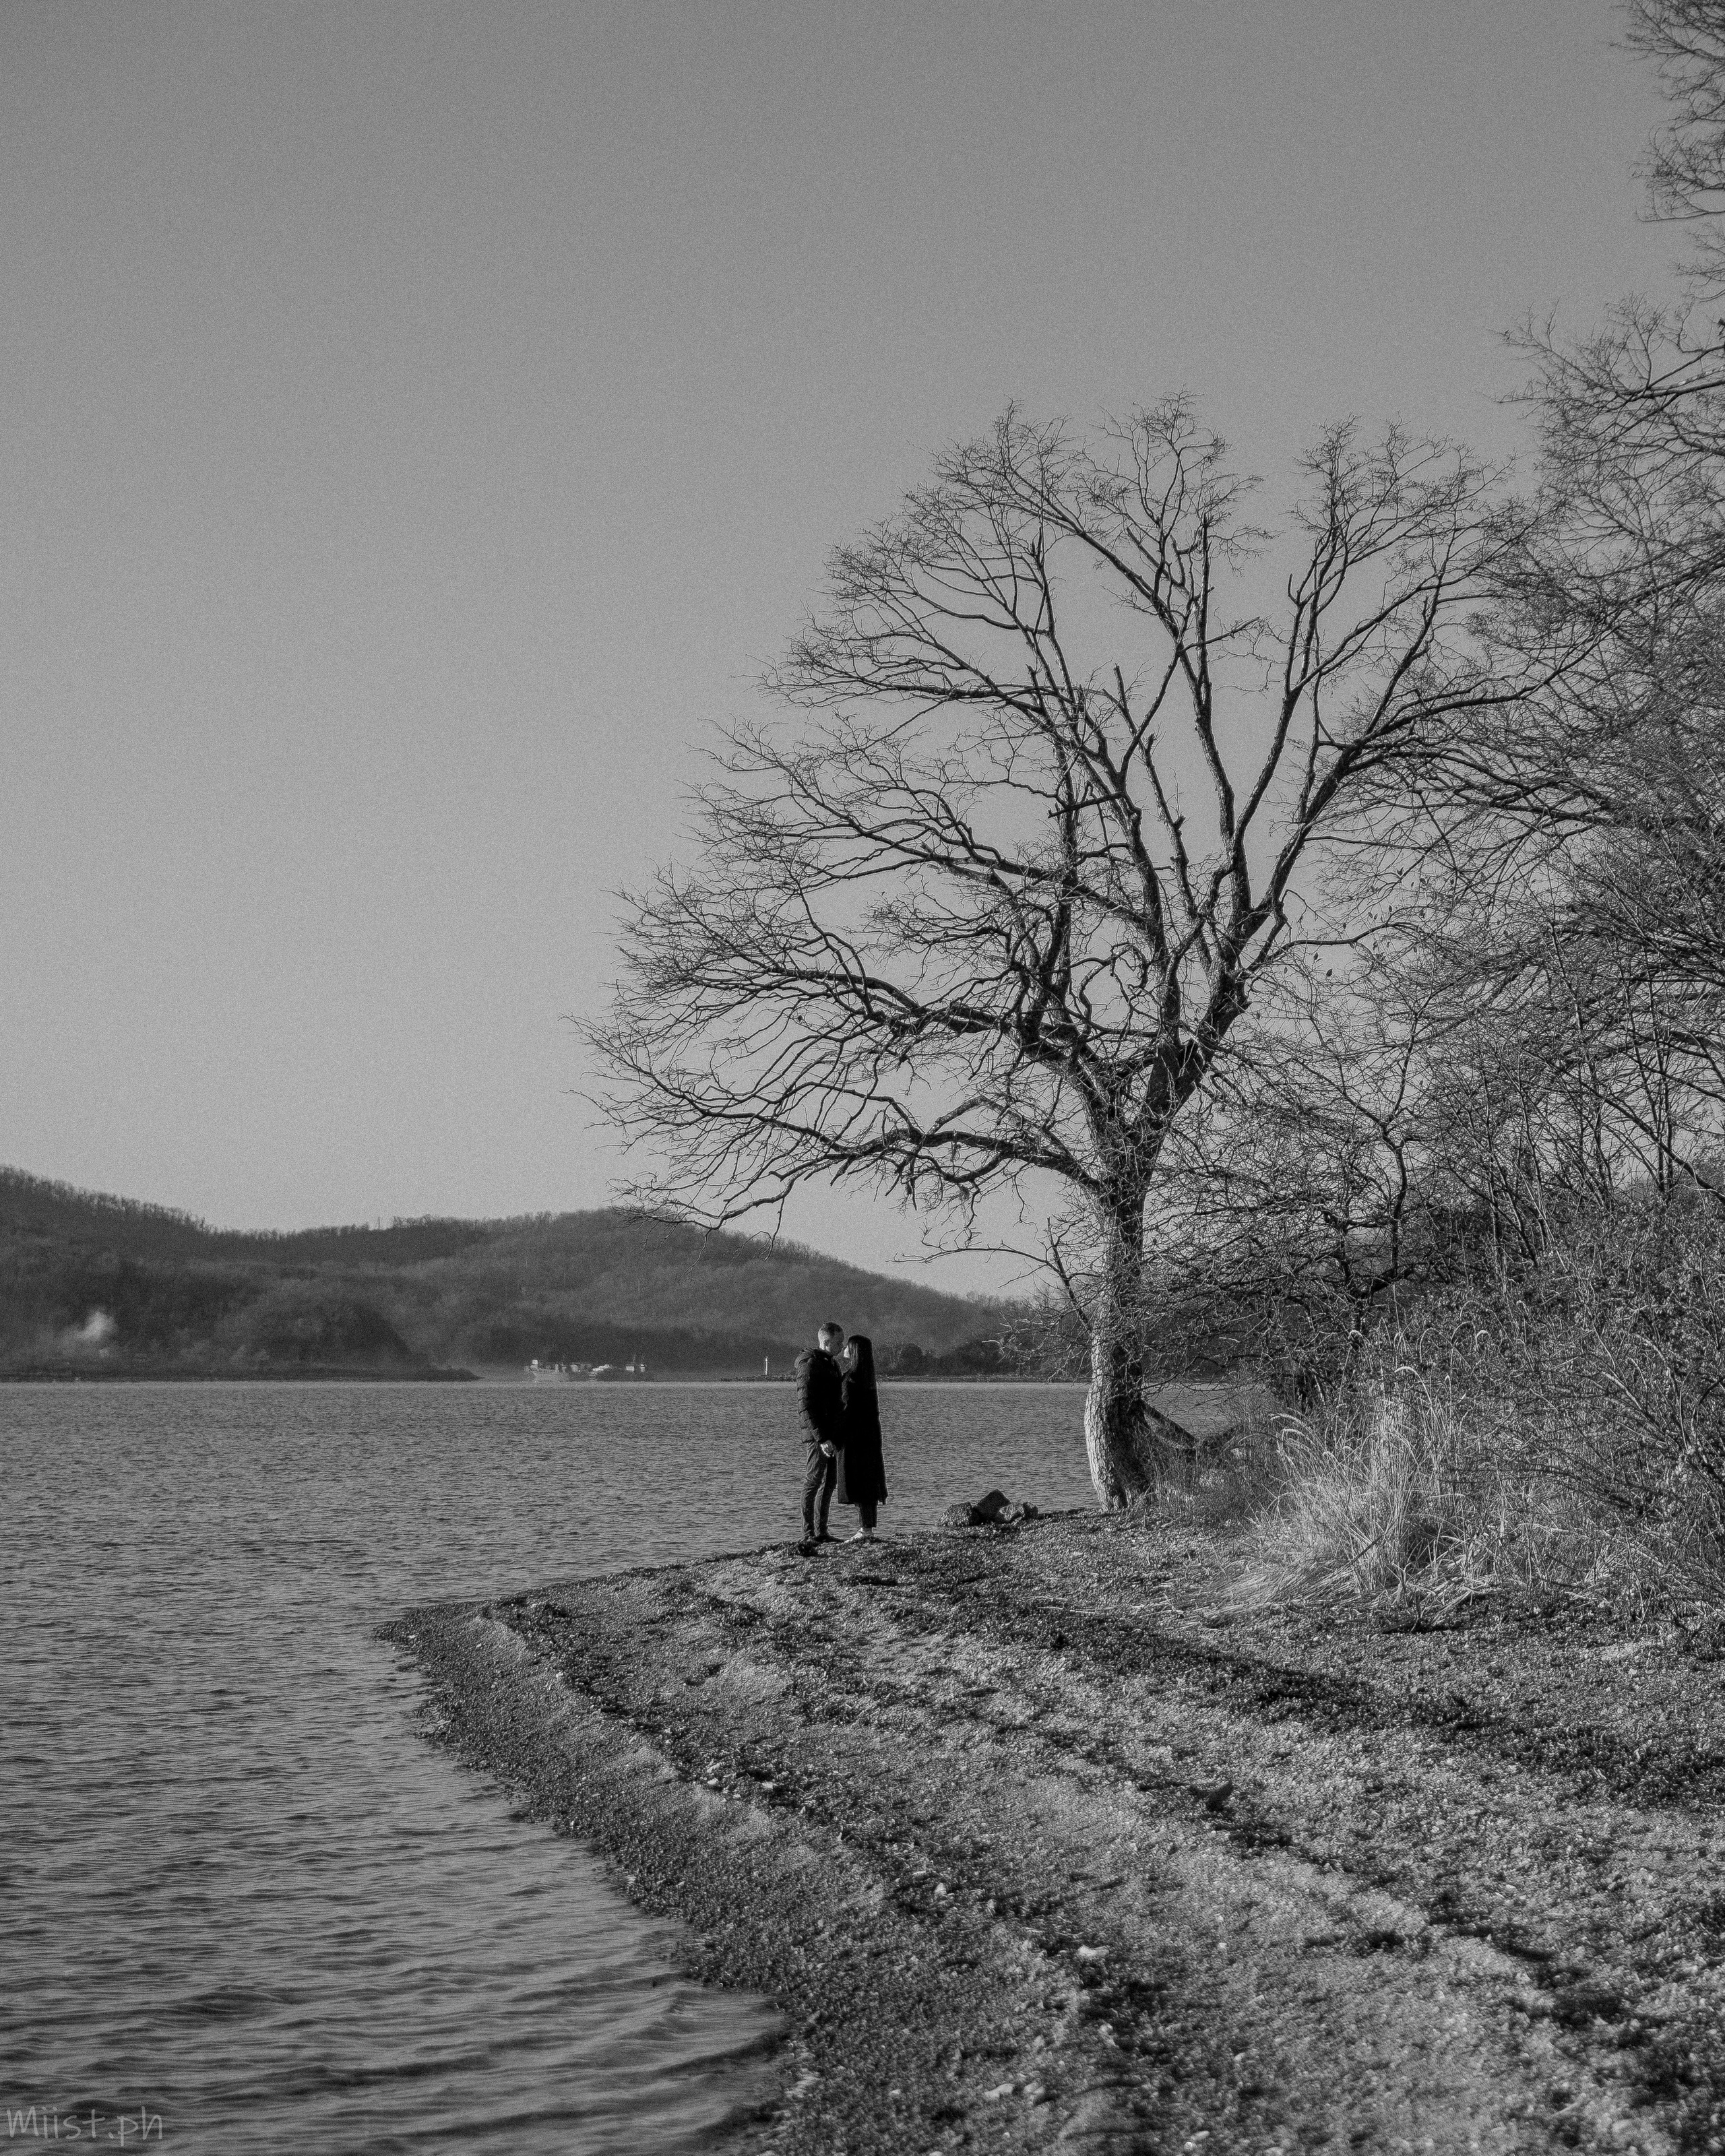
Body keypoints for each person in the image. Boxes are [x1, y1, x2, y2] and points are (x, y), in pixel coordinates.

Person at [793, 1320, 844, 1546]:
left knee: (830, 1483)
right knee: (813, 1481)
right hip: (818, 1436)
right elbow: (805, 1405)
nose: (842, 1346)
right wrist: (821, 1437)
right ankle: (808, 1534)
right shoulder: (810, 1364)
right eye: (839, 1342)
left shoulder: (832, 1364)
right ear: (826, 1340)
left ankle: (822, 1531)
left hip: (833, 1434)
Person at [836, 1333, 888, 1541]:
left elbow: (847, 1411)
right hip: (871, 1437)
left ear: (854, 1350)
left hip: (855, 1439)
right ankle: (866, 1528)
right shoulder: (868, 1378)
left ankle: (864, 1530)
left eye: (848, 1346)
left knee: (858, 1482)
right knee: (869, 1481)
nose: (845, 1349)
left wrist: (836, 1435)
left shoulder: (851, 1379)